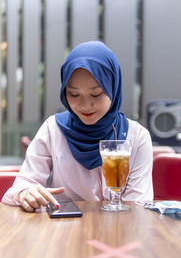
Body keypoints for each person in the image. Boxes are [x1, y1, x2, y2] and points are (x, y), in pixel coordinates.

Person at [2, 41, 153, 212]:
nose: (85, 105)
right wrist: (26, 192)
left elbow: (138, 206)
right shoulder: (54, 129)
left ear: (113, 88)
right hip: (64, 232)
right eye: (74, 94)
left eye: (96, 94)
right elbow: (23, 183)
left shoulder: (137, 137)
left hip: (118, 234)